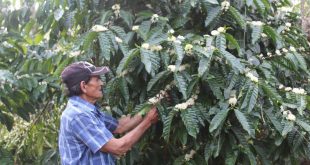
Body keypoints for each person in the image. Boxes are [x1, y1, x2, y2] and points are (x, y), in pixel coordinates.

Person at [58, 61, 158, 165]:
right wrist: (148, 121)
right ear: (83, 86)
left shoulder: (86, 109)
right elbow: (118, 147)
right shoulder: (79, 115)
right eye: (97, 80)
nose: (101, 83)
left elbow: (119, 126)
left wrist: (151, 105)